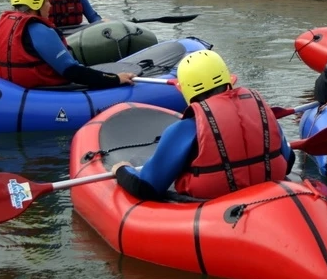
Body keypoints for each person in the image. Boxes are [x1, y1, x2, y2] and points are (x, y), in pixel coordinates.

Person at [112, 50, 295, 201]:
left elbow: (146, 187)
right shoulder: (262, 112)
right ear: (228, 79)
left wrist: (122, 170)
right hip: (271, 196)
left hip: (215, 210)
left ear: (185, 89)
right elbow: (288, 161)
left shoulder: (184, 129)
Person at [0, 0, 136, 90]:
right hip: (43, 91)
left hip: (12, 89)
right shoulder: (39, 30)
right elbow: (72, 72)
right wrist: (115, 79)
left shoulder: (2, 23)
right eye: (47, 1)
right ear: (35, 3)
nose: (50, 6)